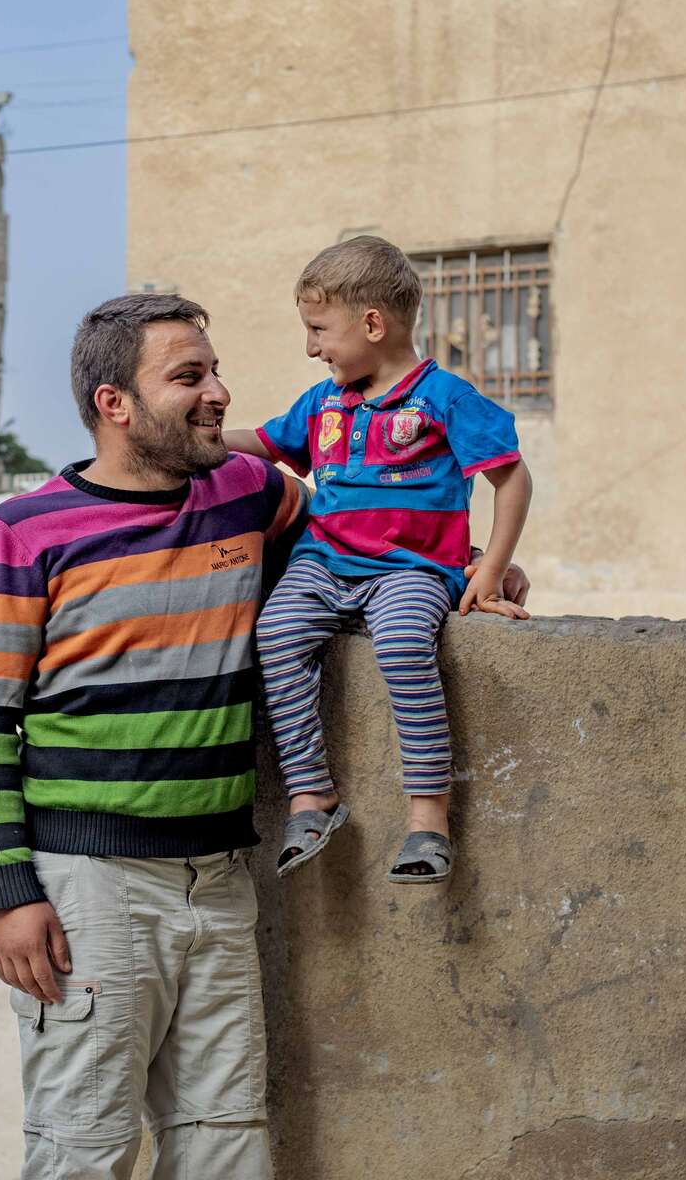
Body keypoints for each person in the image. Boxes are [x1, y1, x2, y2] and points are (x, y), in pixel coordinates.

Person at [0, 292, 527, 1179]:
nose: (219, 392)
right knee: (83, 1149)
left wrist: (470, 567)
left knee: (226, 1142)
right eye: (189, 377)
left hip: (221, 881)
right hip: (89, 889)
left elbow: (360, 546)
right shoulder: (20, 536)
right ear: (114, 403)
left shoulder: (251, 494)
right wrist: (4, 893)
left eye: (215, 371)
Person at [223, 236, 533, 885]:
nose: (311, 348)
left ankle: (428, 818)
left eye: (318, 330)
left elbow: (512, 478)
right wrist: (193, 439)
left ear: (371, 324)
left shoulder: (445, 397)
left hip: (413, 568)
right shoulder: (323, 403)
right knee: (274, 634)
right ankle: (312, 796)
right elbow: (264, 444)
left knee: (401, 645)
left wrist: (489, 568)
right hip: (323, 562)